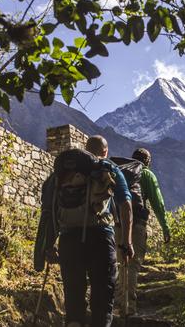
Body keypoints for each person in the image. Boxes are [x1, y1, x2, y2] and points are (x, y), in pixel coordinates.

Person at [33, 136, 133, 327]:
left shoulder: (63, 174)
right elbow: (126, 204)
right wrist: (126, 242)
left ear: (85, 149)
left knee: (74, 296)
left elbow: (49, 209)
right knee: (103, 296)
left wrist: (48, 245)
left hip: (69, 239)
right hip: (101, 237)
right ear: (105, 151)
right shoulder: (108, 168)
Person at [115, 147, 170, 316]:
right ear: (147, 161)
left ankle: (118, 303)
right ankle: (129, 307)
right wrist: (165, 227)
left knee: (120, 263)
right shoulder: (146, 174)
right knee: (132, 264)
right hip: (137, 224)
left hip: (118, 225)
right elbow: (157, 203)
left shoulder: (120, 172)